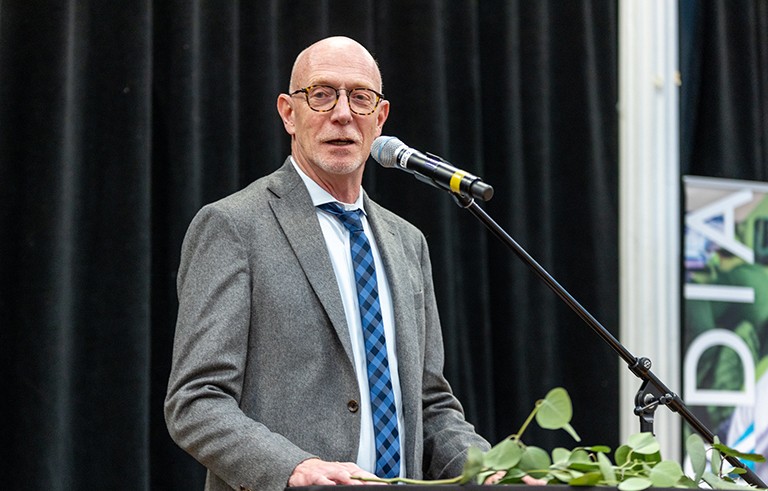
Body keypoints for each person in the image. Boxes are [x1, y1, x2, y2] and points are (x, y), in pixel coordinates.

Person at [164, 36, 496, 491]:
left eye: (360, 98)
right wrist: (293, 467)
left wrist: (490, 469)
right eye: (321, 94)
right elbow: (195, 401)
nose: (342, 113)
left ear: (379, 119)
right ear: (288, 112)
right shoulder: (233, 227)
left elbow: (431, 405)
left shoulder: (407, 242)